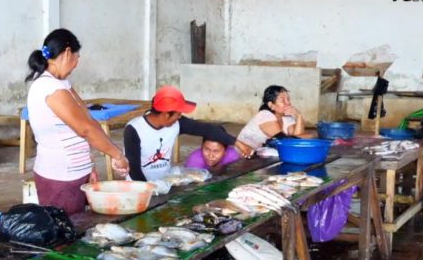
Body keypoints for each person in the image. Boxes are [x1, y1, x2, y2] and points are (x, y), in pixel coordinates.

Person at [25, 28, 130, 215]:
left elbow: (88, 119)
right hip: (61, 176)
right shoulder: (49, 87)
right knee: (65, 228)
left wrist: (90, 166)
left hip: (75, 171)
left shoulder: (61, 84)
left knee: (78, 224)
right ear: (67, 53)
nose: (76, 63)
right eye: (77, 56)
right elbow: (86, 129)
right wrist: (118, 156)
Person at [123, 86, 251, 182]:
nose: (180, 117)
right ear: (166, 115)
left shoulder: (177, 123)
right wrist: (148, 191)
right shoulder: (134, 129)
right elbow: (134, 169)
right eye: (178, 114)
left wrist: (236, 142)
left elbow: (208, 130)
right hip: (139, 184)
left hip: (165, 181)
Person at [237, 85, 315, 150]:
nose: (288, 103)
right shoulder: (264, 115)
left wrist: (299, 117)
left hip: (260, 155)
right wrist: (308, 136)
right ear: (271, 105)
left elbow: (296, 143)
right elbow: (285, 142)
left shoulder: (287, 118)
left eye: (288, 99)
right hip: (241, 154)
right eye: (282, 101)